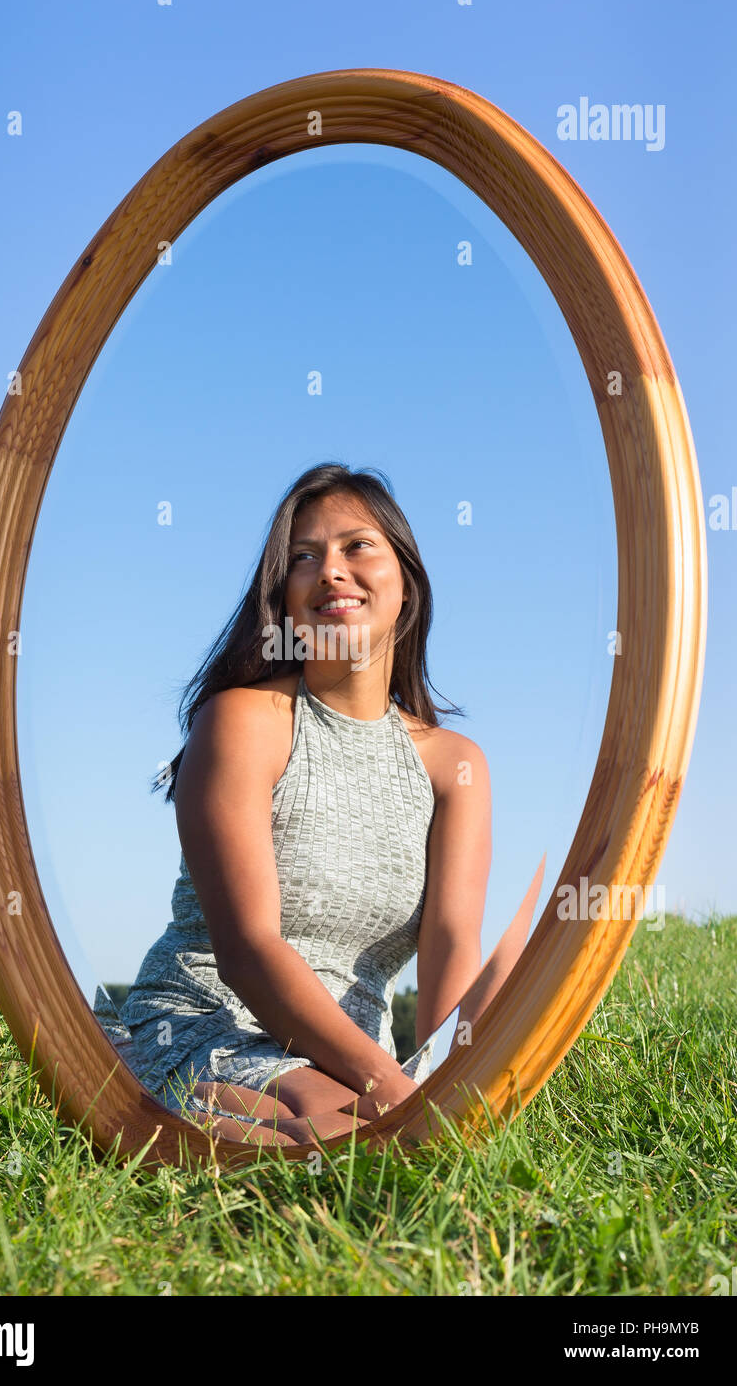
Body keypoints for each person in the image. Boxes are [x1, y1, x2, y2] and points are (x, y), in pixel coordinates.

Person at [112, 463, 494, 1147]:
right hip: (209, 1022)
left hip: (358, 1065)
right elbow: (248, 950)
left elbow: (452, 944)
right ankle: (132, 1082)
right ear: (283, 599)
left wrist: (442, 1090)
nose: (331, 571)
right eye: (303, 558)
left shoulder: (455, 765)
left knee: (402, 1140)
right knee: (326, 1137)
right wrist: (395, 1093)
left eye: (358, 547)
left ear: (405, 582)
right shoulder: (242, 722)